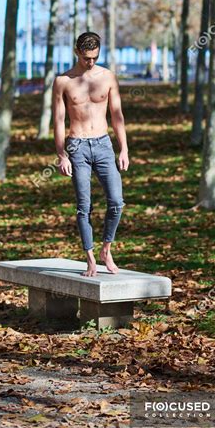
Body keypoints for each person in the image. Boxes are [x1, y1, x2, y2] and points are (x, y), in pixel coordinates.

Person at [53, 32, 129, 277]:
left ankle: (107, 248)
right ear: (77, 52)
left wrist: (123, 148)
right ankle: (90, 258)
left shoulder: (107, 77)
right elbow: (58, 119)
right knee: (84, 206)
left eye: (95, 57)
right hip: (77, 147)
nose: (91, 62)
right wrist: (61, 154)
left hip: (104, 144)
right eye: (86, 58)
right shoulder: (63, 81)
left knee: (117, 202)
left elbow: (117, 114)